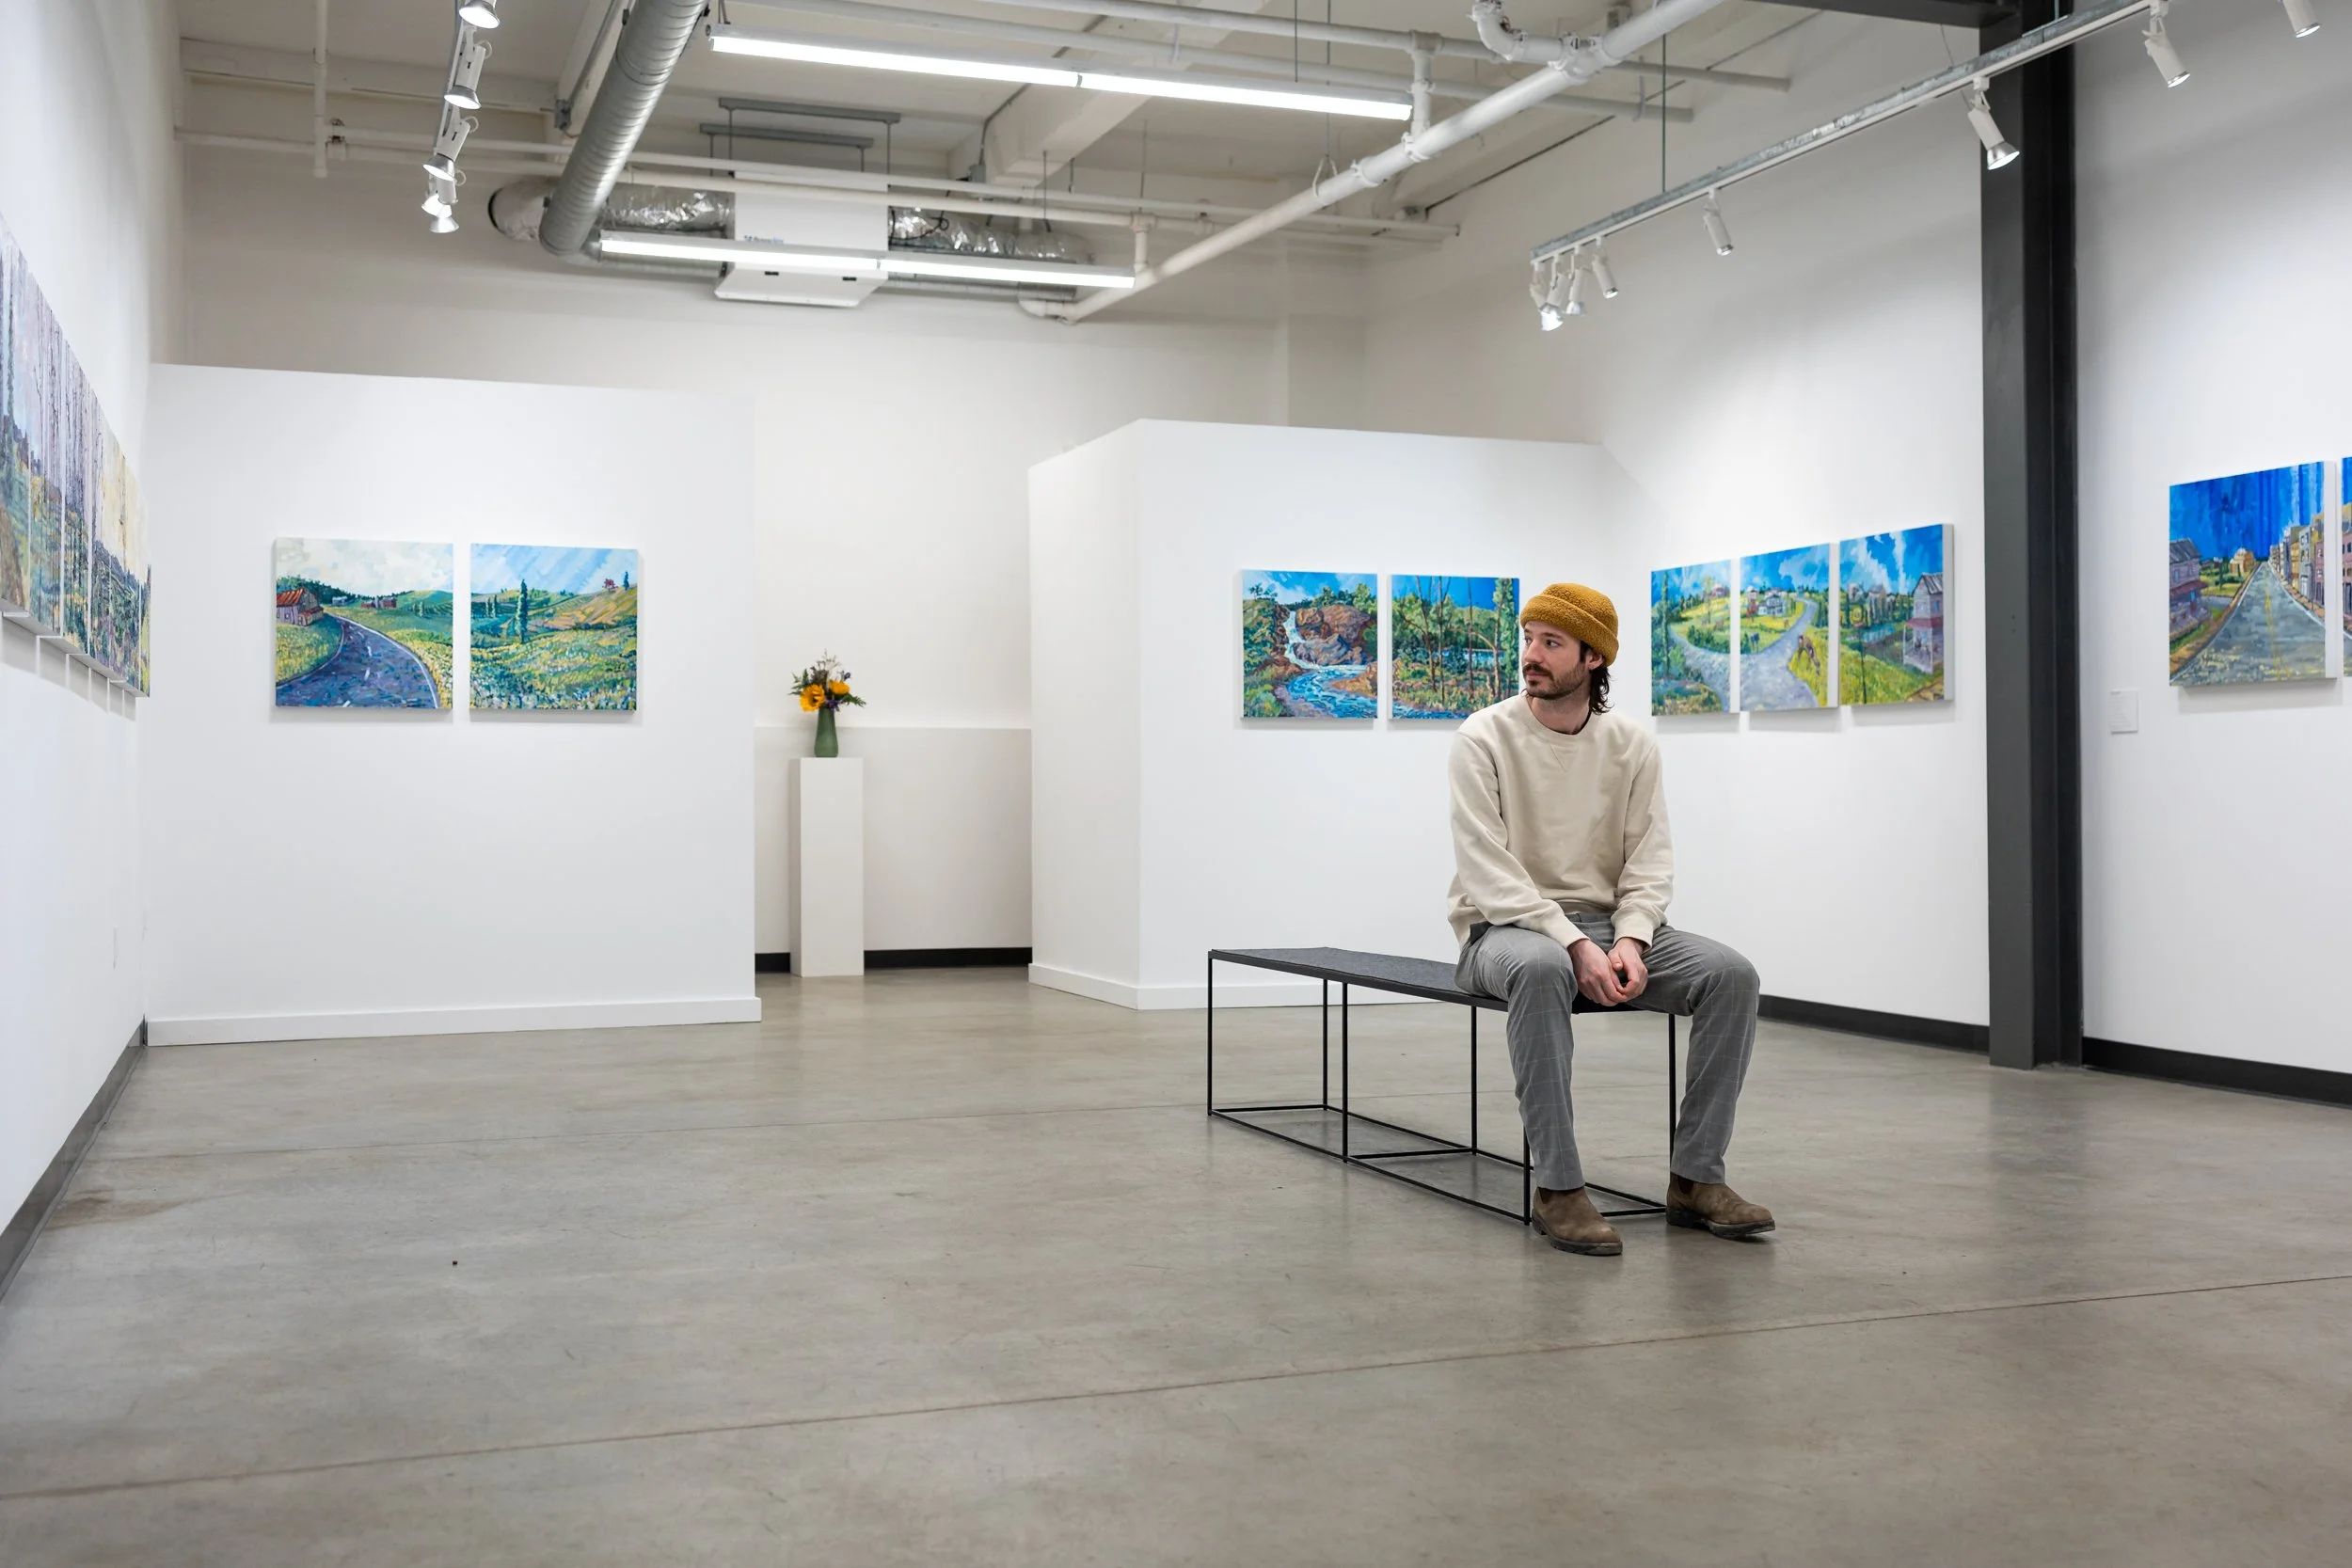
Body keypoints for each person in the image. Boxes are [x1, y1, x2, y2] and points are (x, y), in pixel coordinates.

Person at [1449, 581, 1774, 1257]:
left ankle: (1696, 1178)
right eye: (1529, 639)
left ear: (1593, 657)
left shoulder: (1630, 744)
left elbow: (1649, 860)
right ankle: (1560, 1188)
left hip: (1607, 924)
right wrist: (1571, 943)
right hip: (1503, 931)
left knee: (1731, 975)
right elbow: (1489, 871)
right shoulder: (1483, 736)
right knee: (1540, 971)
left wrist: (1630, 937)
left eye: (1551, 642)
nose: (1531, 655)